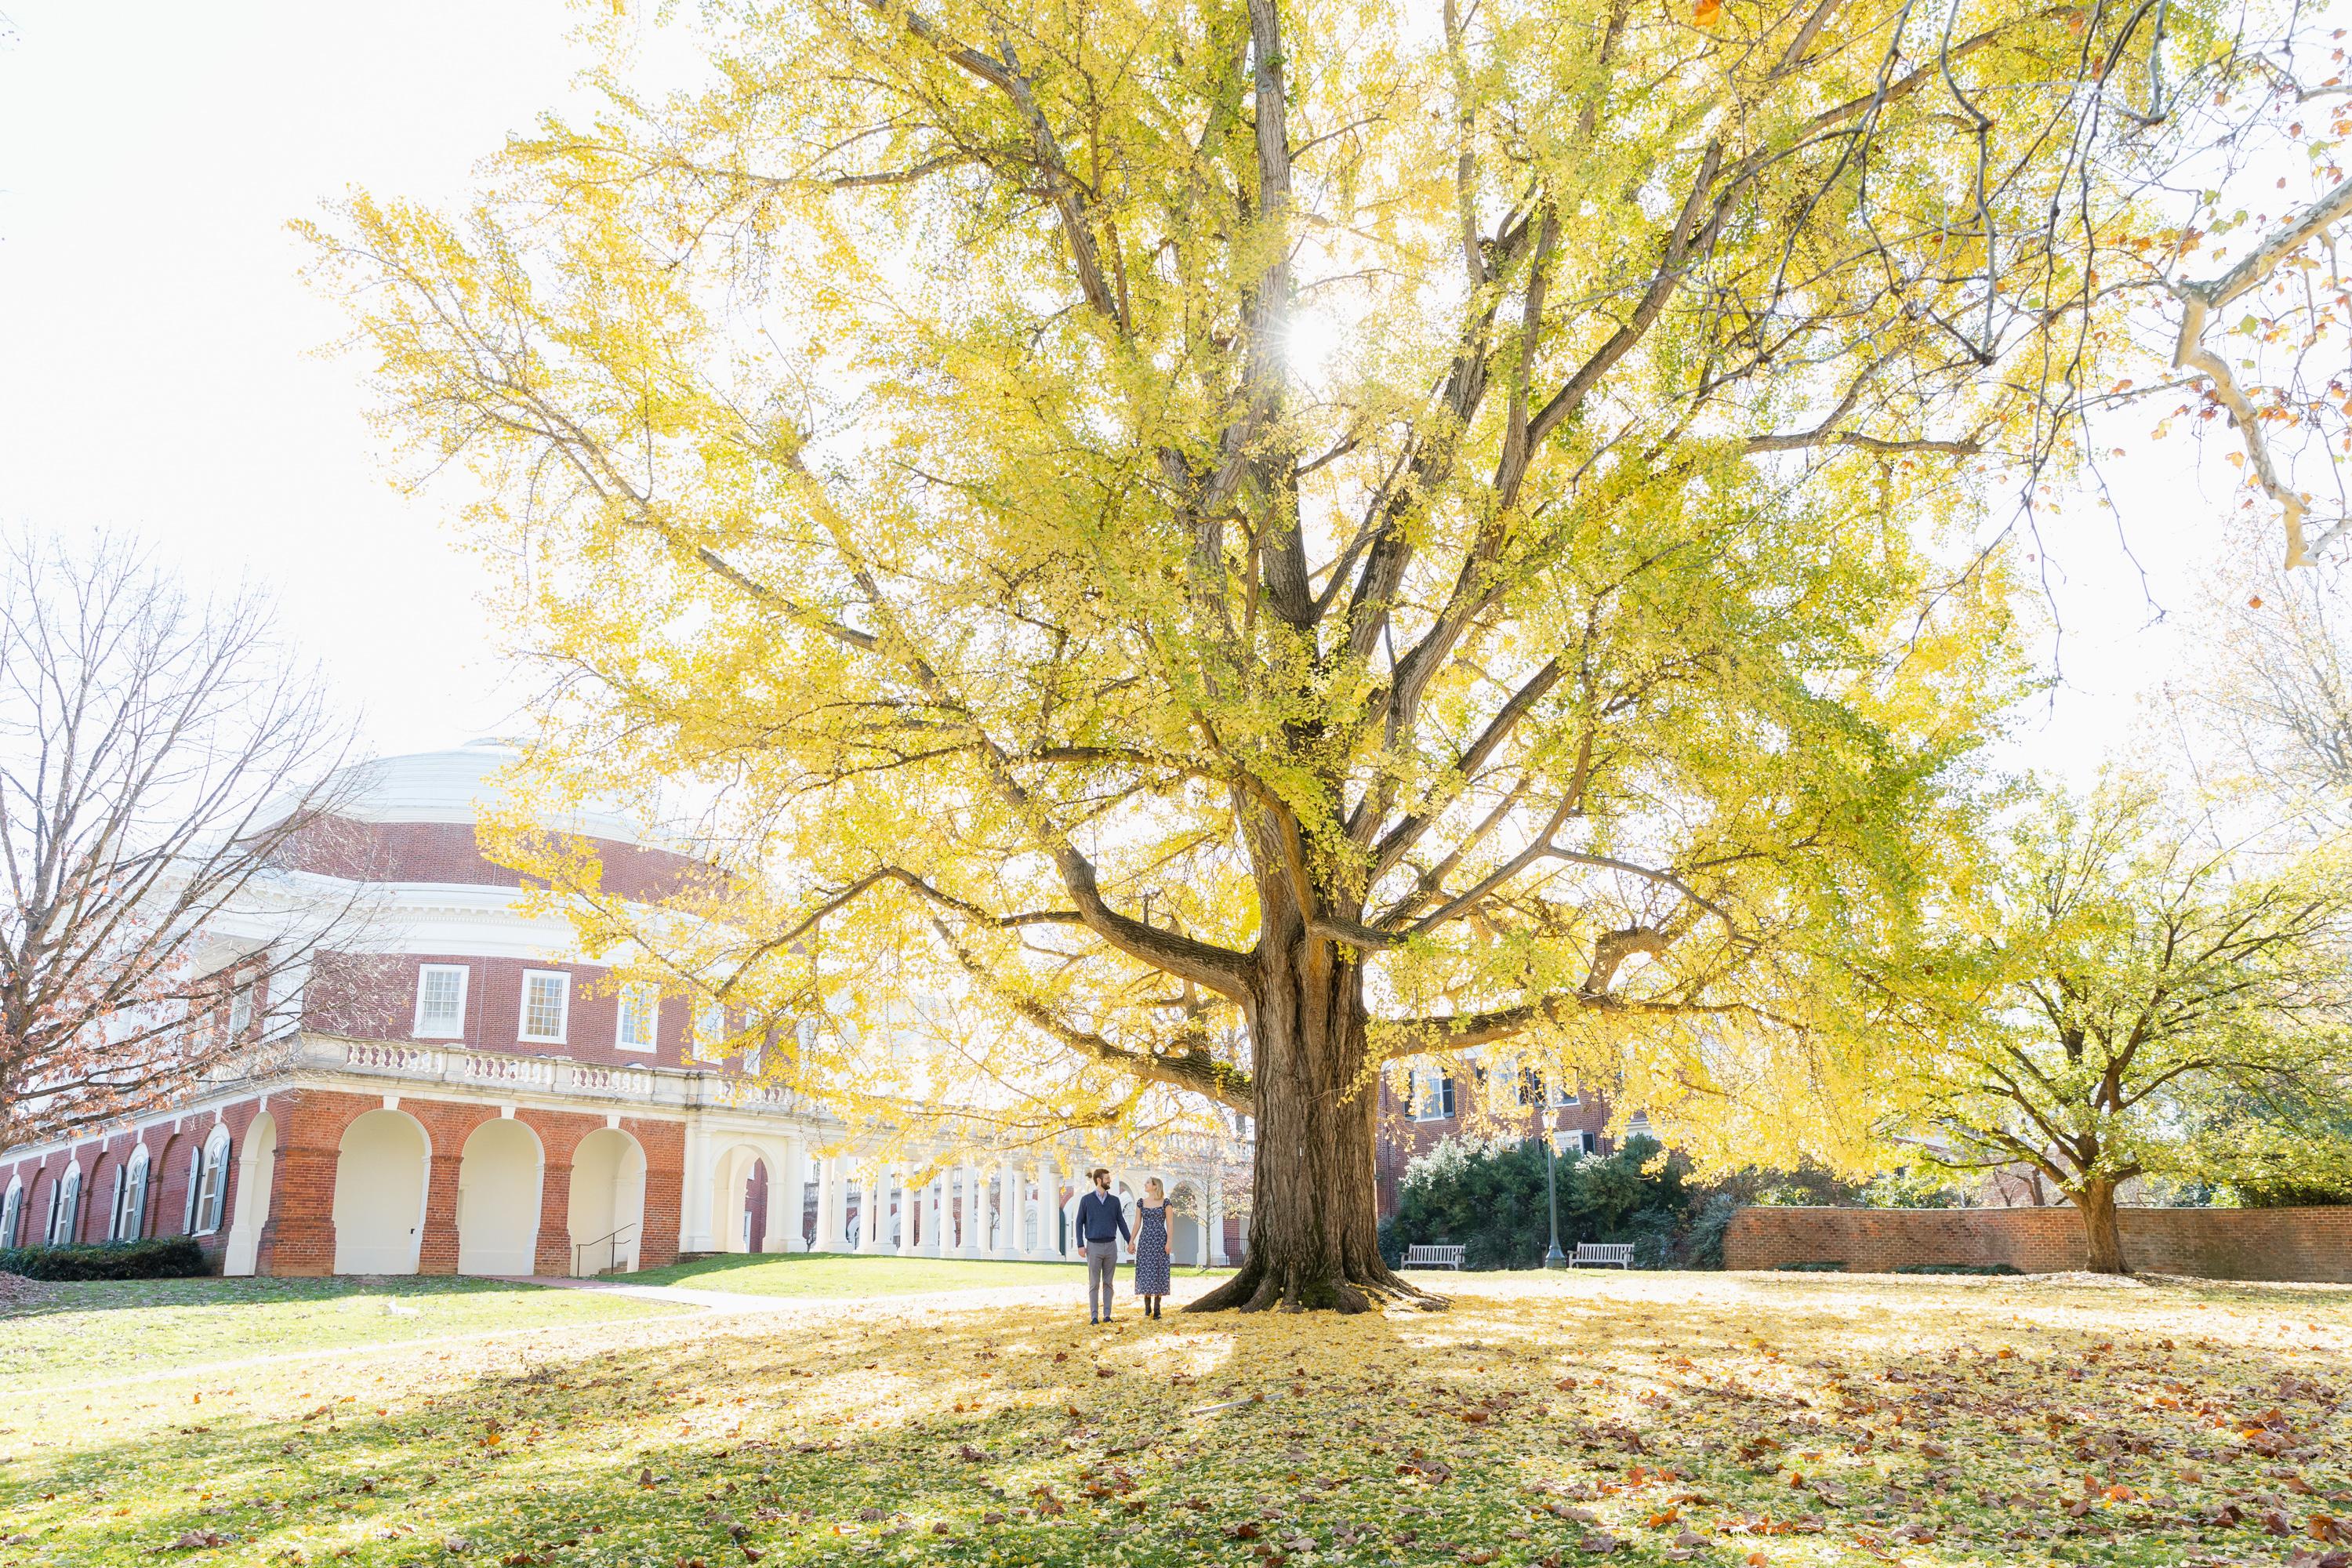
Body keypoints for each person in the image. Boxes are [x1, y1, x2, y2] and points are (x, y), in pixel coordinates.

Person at [1073, 1167, 1130, 1324]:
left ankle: (1107, 1315)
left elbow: (1122, 1223)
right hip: (1093, 1246)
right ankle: (1094, 1317)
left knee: (1108, 1283)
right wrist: (1080, 1245)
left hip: (1111, 1246)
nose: (1109, 1180)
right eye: (1107, 1178)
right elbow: (1079, 1223)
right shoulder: (1086, 1200)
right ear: (1099, 1180)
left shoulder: (1115, 1201)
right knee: (1094, 1283)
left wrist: (1129, 1241)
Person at [1133, 1177, 1172, 1319]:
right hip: (1145, 1241)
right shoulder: (1141, 1203)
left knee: (1159, 1272)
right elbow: (1137, 1224)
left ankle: (1157, 1309)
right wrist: (1131, 1241)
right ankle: (1147, 1307)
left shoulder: (1166, 1203)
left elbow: (1170, 1225)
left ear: (1155, 1186)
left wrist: (1169, 1242)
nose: (1145, 1184)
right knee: (1146, 1272)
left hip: (1160, 1240)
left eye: (1148, 1182)